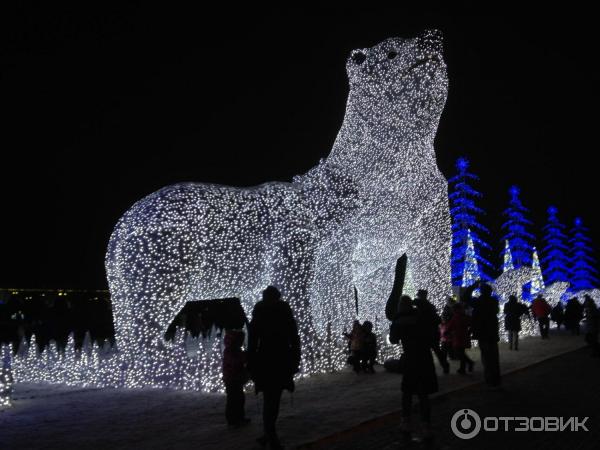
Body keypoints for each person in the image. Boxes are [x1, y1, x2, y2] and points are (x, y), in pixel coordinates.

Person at [248, 286, 301, 450]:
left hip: (265, 360)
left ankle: (268, 433)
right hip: (280, 359)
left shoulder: (260, 312)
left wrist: (252, 363)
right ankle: (271, 436)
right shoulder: (284, 311)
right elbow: (294, 338)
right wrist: (294, 359)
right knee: (273, 400)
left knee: (269, 399)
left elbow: (252, 342)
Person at [394, 295, 438, 443]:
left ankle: (406, 422)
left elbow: (394, 338)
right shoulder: (421, 317)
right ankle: (426, 426)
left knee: (407, 391)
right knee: (423, 393)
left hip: (410, 359)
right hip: (424, 358)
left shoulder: (400, 319)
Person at [470, 282, 501, 388]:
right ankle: (495, 379)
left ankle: (490, 380)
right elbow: (496, 311)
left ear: (482, 291)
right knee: (494, 357)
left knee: (486, 358)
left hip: (482, 333)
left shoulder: (478, 302)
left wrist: (473, 287)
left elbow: (465, 298)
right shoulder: (493, 301)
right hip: (492, 332)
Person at [413, 289, 450, 375]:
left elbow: (414, 302)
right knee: (436, 350)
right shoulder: (429, 306)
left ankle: (437, 368)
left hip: (427, 333)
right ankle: (444, 366)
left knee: (430, 351)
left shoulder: (422, 305)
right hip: (432, 332)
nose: (418, 296)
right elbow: (438, 320)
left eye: (419, 295)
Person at [222, 329, 250, 427]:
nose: (242, 343)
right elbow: (235, 362)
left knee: (239, 399)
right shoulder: (230, 351)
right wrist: (244, 356)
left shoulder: (235, 350)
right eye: (240, 340)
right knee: (233, 400)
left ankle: (239, 417)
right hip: (231, 379)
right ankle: (232, 420)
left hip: (236, 379)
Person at [445, 302, 474, 374]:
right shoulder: (464, 316)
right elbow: (471, 323)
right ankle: (463, 368)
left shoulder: (456, 317)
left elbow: (450, 326)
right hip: (463, 336)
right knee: (461, 352)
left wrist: (446, 332)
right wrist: (469, 331)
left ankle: (468, 363)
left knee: (459, 352)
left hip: (458, 337)